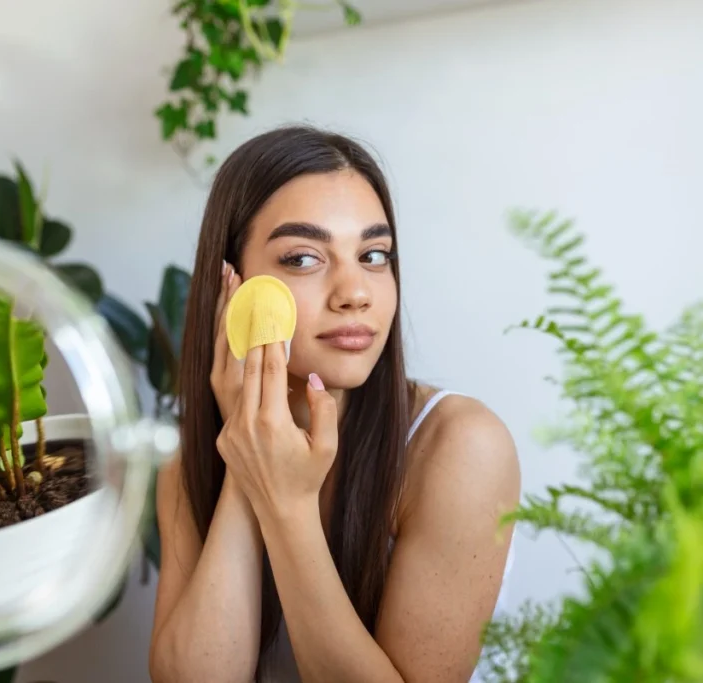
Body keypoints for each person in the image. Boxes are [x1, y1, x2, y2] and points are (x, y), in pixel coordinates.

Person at [148, 124, 520, 683]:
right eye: (303, 259)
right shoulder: (187, 463)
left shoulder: (461, 446)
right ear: (233, 288)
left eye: (373, 255)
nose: (355, 293)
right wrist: (247, 459)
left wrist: (287, 505)